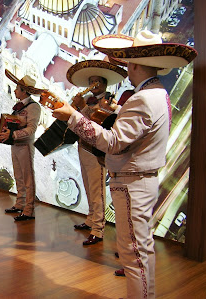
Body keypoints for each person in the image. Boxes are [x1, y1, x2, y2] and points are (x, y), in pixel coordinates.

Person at [52, 30, 197, 298]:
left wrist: (72, 116)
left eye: (129, 62)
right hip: (139, 180)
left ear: (135, 64)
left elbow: (114, 142)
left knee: (134, 255)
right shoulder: (155, 93)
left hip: (132, 183)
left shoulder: (143, 98)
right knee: (139, 252)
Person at [66, 59, 127, 246]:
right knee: (87, 185)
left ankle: (98, 229)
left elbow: (94, 124)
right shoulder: (92, 100)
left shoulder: (108, 102)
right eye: (90, 81)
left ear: (102, 83)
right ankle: (91, 218)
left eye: (95, 81)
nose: (92, 84)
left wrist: (80, 107)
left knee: (97, 188)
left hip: (96, 150)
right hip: (83, 147)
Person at [0, 70, 44, 221]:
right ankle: (20, 204)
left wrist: (13, 135)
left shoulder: (34, 107)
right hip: (15, 145)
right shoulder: (18, 106)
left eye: (18, 89)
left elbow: (31, 130)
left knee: (28, 178)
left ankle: (29, 209)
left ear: (24, 91)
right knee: (19, 176)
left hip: (24, 145)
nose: (16, 91)